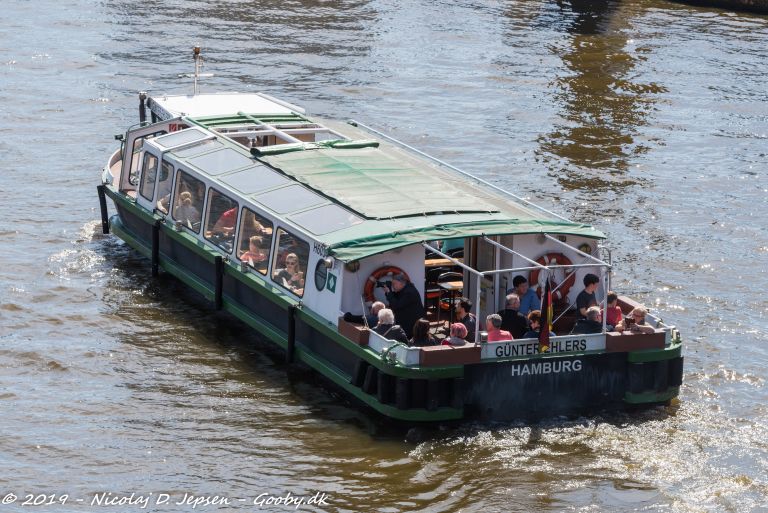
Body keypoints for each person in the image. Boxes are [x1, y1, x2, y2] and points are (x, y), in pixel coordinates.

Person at [379, 273, 424, 337]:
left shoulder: (409, 292)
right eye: (392, 284)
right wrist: (388, 292)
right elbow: (396, 297)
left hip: (412, 323)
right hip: (407, 321)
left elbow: (397, 305)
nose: (393, 286)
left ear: (401, 283)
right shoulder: (405, 288)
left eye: (394, 284)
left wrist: (389, 292)